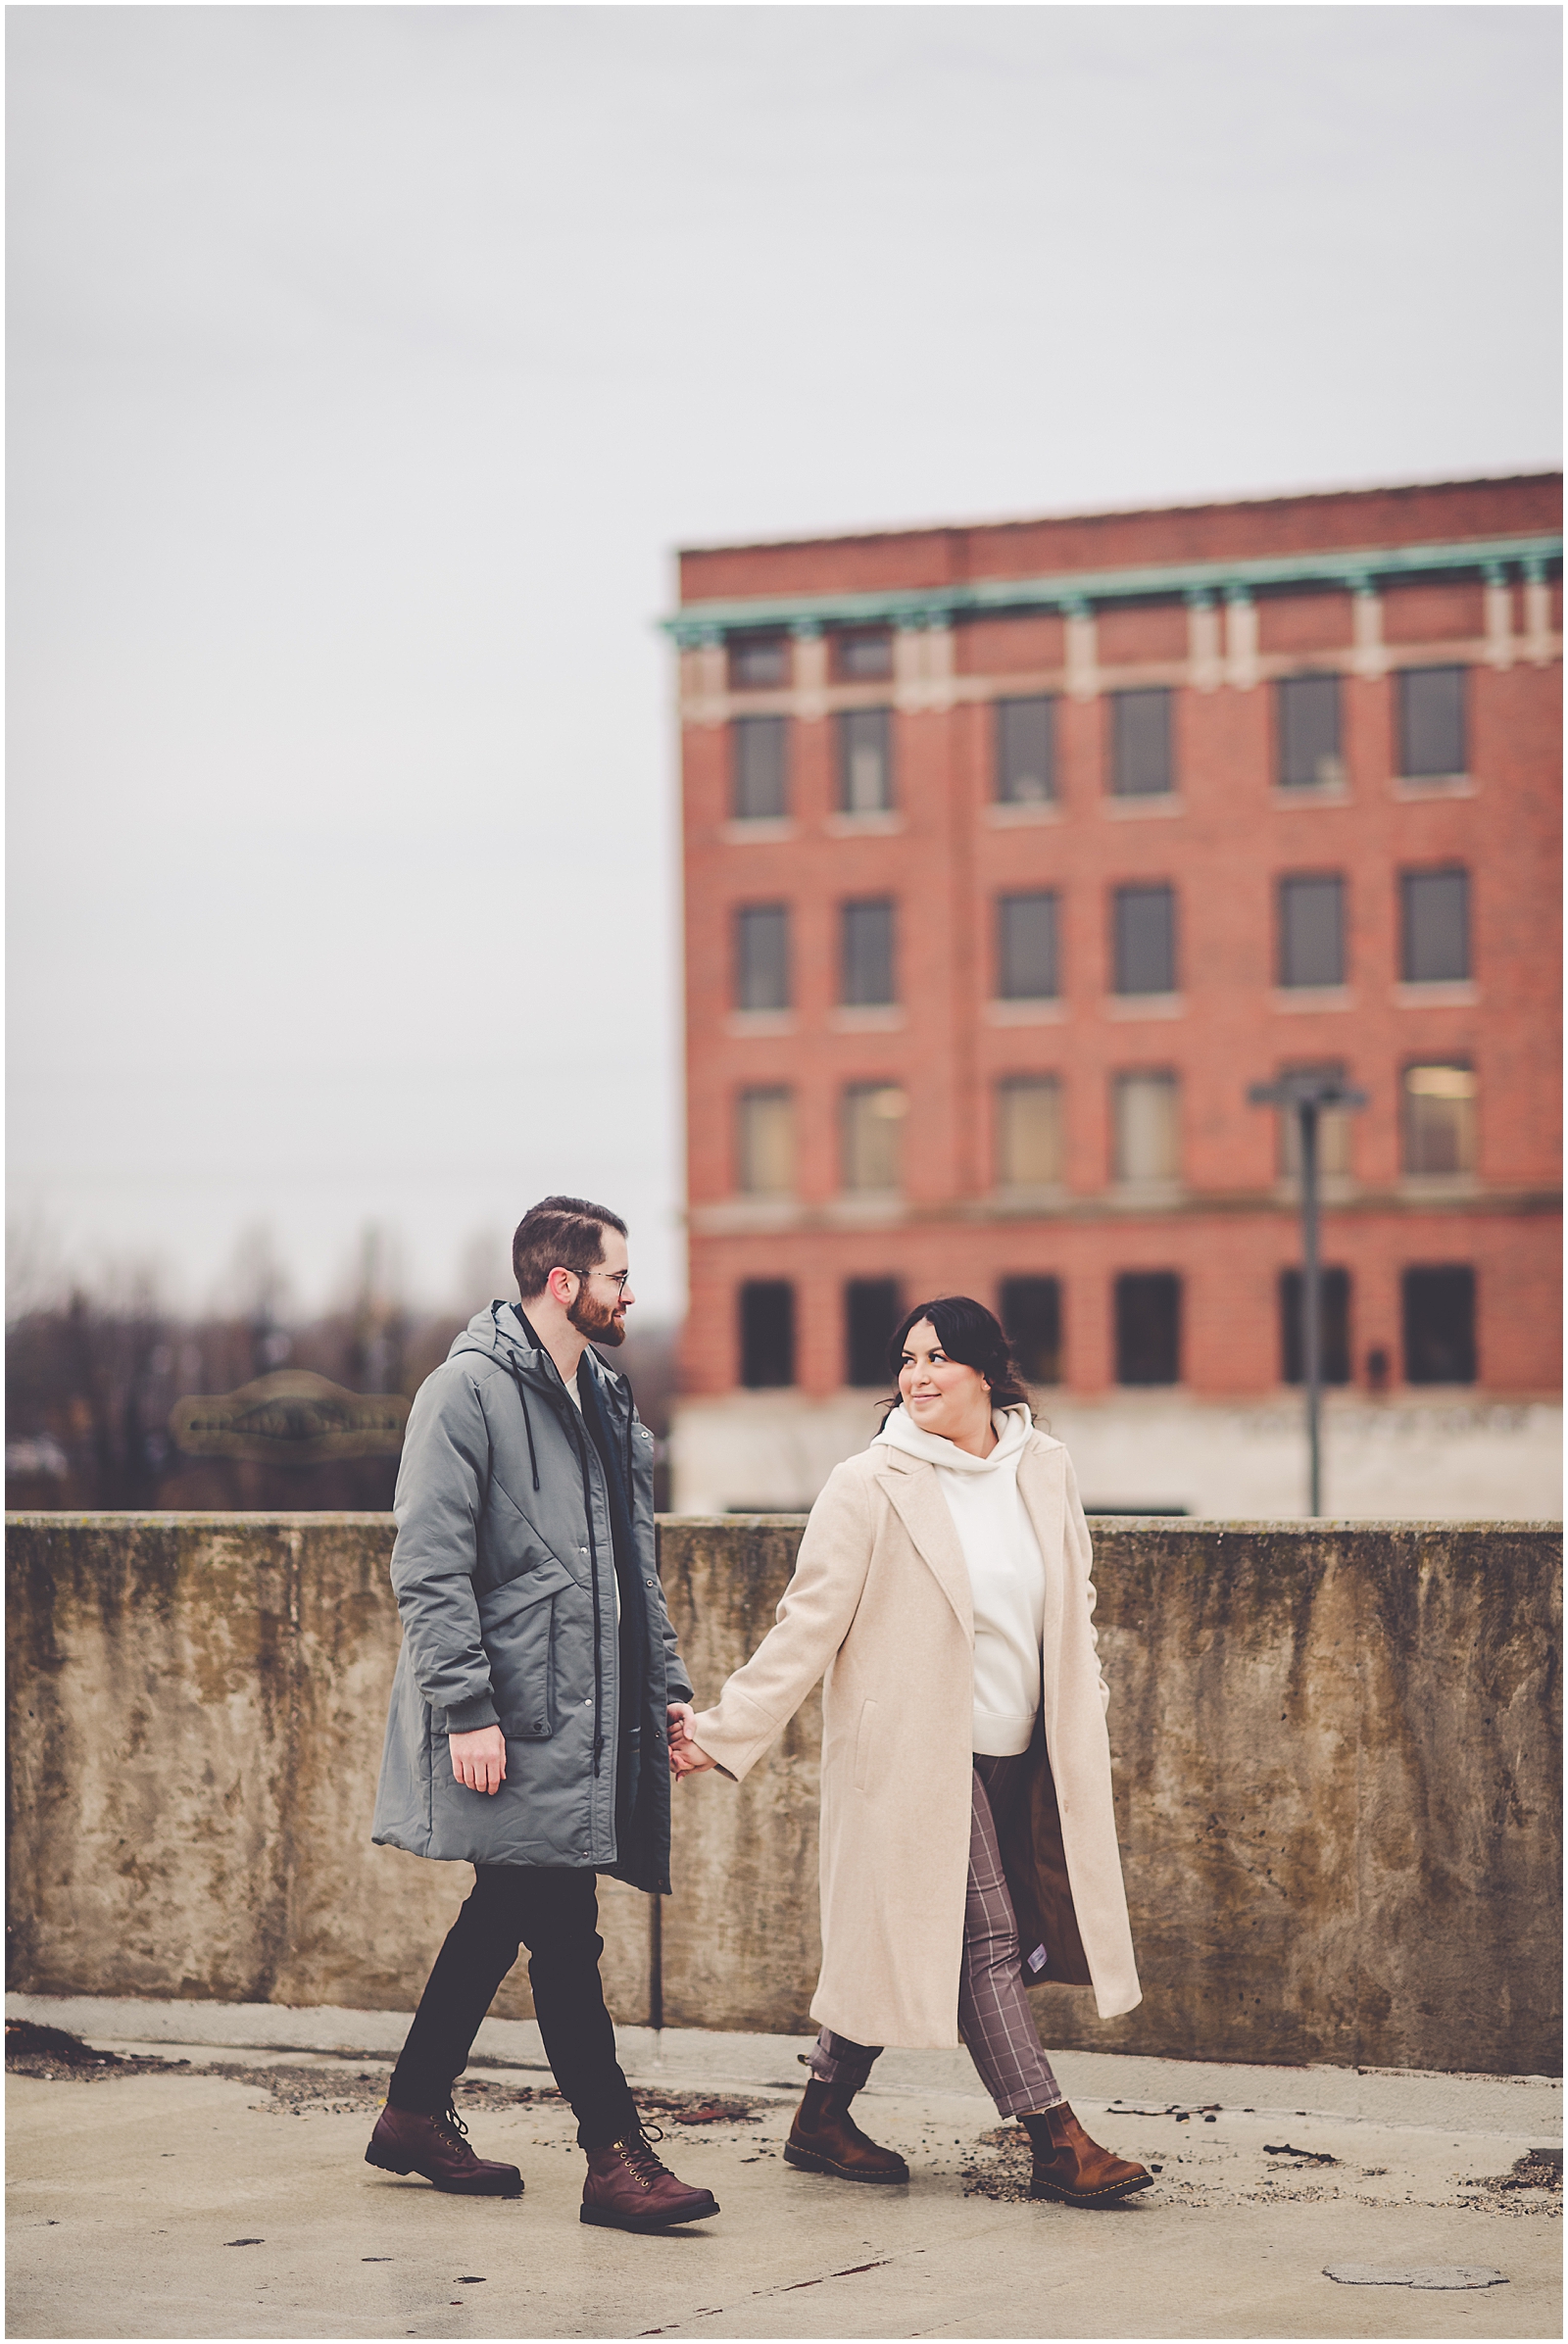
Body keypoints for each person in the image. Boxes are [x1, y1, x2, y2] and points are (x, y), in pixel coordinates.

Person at [669, 1294, 1152, 2208]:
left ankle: (820, 2115)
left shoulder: (1043, 1469)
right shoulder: (871, 1481)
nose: (918, 1377)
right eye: (906, 1359)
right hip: (917, 1757)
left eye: (937, 1359)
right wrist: (723, 1731)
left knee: (910, 1938)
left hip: (1026, 1748)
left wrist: (1085, 1715)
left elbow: (1073, 1605)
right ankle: (1056, 2141)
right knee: (989, 1939)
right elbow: (807, 1625)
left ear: (984, 1372)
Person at [367, 1196, 719, 2233]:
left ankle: (412, 2114)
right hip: (512, 1719)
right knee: (563, 1929)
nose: (630, 1292)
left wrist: (667, 1687)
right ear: (562, 1283)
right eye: (617, 1275)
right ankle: (613, 2156)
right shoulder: (464, 1391)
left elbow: (629, 1574)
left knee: (504, 1916)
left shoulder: (606, 1398)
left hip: (588, 1719)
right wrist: (468, 1710)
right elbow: (428, 1570)